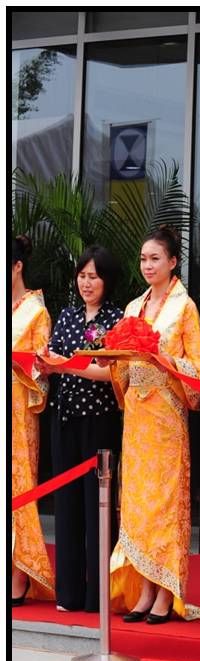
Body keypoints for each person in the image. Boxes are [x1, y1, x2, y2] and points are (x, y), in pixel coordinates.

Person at [107, 226, 200, 623]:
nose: (148, 265)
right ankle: (145, 589)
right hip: (137, 416)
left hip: (166, 413)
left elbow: (196, 368)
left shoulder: (185, 307)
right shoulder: (133, 307)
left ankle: (166, 592)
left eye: (155, 259)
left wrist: (162, 360)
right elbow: (121, 366)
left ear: (173, 262)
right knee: (138, 505)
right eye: (143, 259)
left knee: (165, 505)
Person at [38, 246, 124, 612]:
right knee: (68, 506)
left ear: (107, 281)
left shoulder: (117, 319)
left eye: (94, 277)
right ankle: (69, 593)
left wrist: (65, 365)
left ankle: (97, 595)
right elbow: (52, 357)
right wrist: (44, 364)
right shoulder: (67, 315)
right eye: (82, 276)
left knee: (97, 507)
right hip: (64, 417)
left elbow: (111, 372)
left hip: (99, 420)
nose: (86, 283)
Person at [11, 234, 54, 607]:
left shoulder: (36, 312)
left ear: (17, 266)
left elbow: (43, 371)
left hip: (18, 407)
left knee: (19, 486)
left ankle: (20, 571)